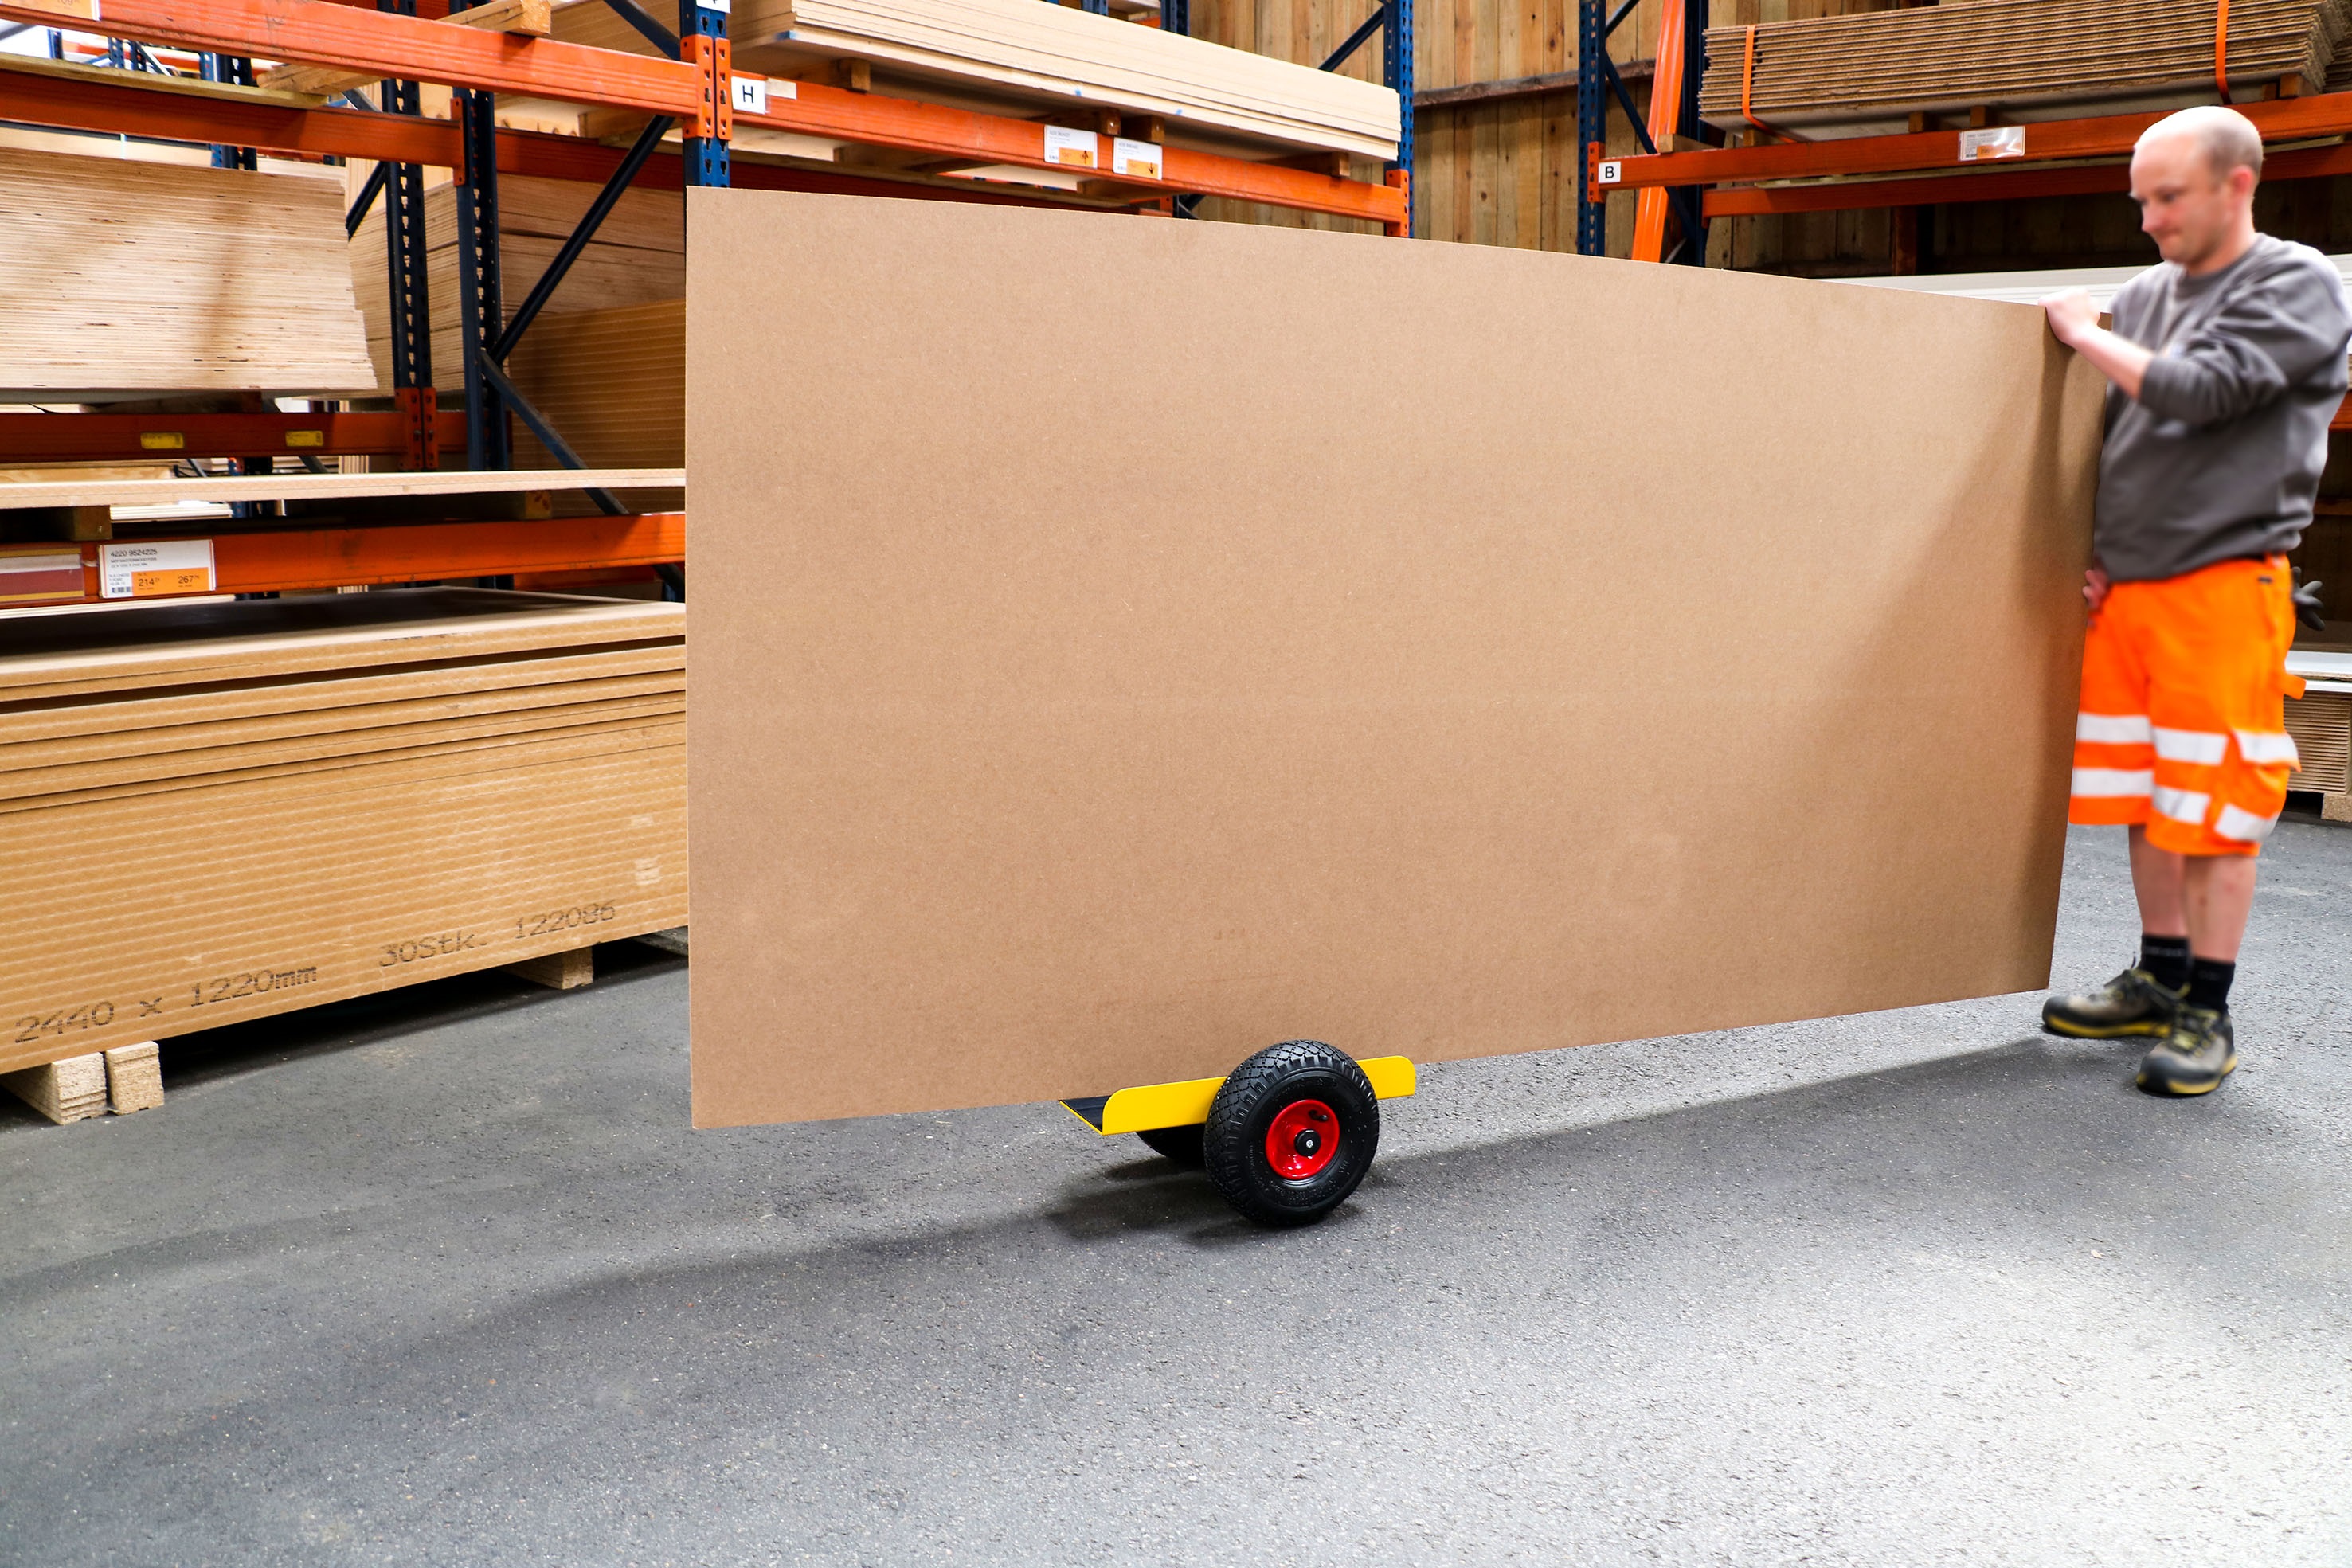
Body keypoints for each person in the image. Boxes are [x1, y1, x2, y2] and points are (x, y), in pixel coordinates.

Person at [2038, 104, 2349, 1096]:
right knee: (2147, 799)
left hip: (2223, 590)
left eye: (2166, 198)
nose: (2149, 221)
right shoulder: (2144, 294)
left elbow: (2204, 395)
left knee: (2214, 811)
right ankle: (2157, 978)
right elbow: (2114, 441)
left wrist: (2082, 336)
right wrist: (2091, 554)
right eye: (2140, 201)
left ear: (2236, 184)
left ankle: (2206, 1014)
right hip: (2129, 598)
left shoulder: (2297, 285)